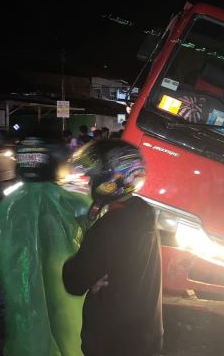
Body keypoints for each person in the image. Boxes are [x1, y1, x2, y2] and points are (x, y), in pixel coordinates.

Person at [0, 136, 91, 355]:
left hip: (24, 311)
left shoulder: (3, 211)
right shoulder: (76, 204)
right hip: (70, 303)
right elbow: (98, 245)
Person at [62, 140, 163, 356]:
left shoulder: (109, 227)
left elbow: (74, 281)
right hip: (144, 333)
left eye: (92, 177)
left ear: (110, 180)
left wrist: (85, 272)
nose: (89, 183)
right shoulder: (143, 212)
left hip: (112, 340)